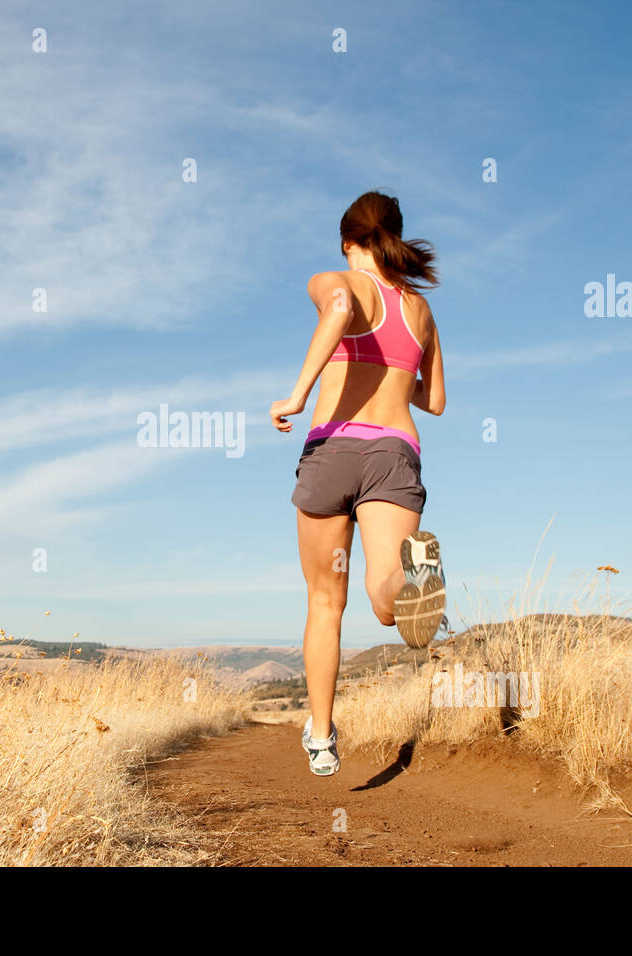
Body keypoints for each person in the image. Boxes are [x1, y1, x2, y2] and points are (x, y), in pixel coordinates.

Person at [269, 190, 448, 776]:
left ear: (348, 242)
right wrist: (395, 376)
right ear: (392, 238)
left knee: (326, 601)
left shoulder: (335, 279)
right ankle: (412, 582)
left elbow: (341, 306)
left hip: (332, 447)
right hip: (395, 450)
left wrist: (297, 393)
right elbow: (437, 400)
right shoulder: (419, 310)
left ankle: (321, 735)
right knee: (383, 591)